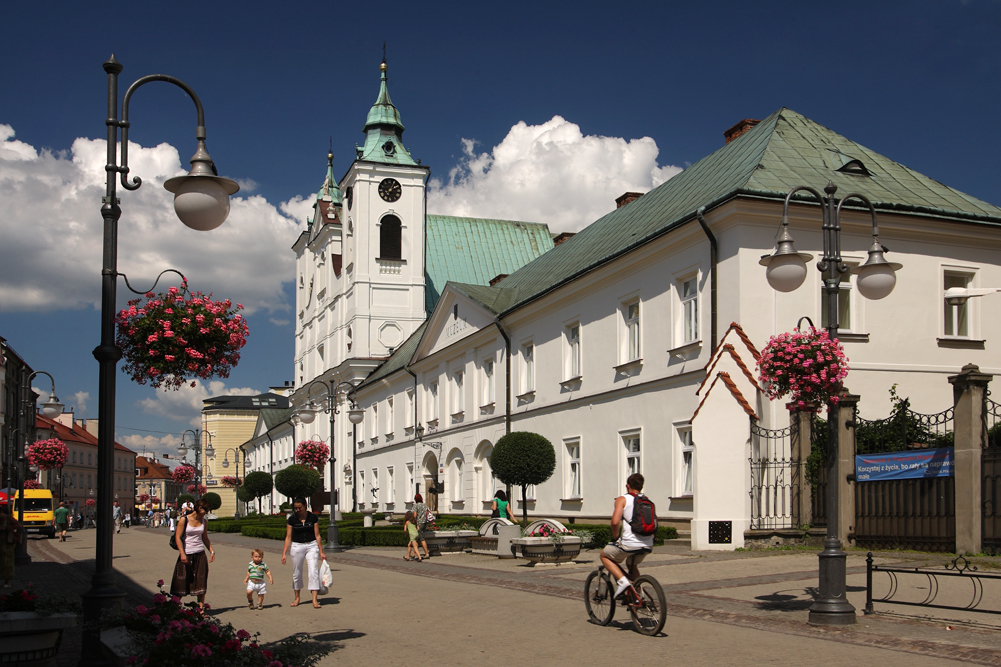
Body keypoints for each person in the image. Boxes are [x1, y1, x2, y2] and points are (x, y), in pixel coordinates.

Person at [600, 473, 655, 599]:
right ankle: (639, 596)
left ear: (627, 485)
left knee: (604, 555)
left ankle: (622, 582)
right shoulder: (647, 500)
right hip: (648, 544)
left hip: (629, 544)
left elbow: (615, 522)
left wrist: (615, 537)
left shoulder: (622, 499)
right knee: (631, 564)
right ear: (641, 486)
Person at [170, 498, 216, 608]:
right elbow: (178, 537)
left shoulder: (204, 521)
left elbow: (205, 538)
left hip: (200, 554)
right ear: (200, 508)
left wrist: (211, 550)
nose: (207, 513)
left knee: (201, 581)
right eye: (206, 510)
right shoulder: (184, 520)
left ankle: (200, 609)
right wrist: (182, 553)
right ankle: (173, 608)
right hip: (186, 554)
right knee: (181, 581)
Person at [281, 498, 326, 608]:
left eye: (299, 507)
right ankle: (297, 598)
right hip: (297, 546)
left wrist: (321, 551)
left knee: (313, 571)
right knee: (297, 572)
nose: (297, 510)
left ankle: (315, 600)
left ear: (305, 505)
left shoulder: (313, 517)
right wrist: (284, 553)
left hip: (312, 545)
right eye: (295, 508)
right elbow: (288, 537)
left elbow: (317, 535)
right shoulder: (292, 519)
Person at [0, 506, 22, 587]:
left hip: (7, 543)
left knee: (7, 562)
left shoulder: (8, 518)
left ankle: (7, 581)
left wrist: (6, 528)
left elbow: (18, 525)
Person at [411, 493, 430, 559]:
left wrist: (415, 524)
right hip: (424, 522)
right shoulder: (424, 505)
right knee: (417, 538)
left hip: (419, 523)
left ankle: (426, 553)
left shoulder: (416, 506)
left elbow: (415, 516)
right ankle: (413, 553)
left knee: (421, 538)